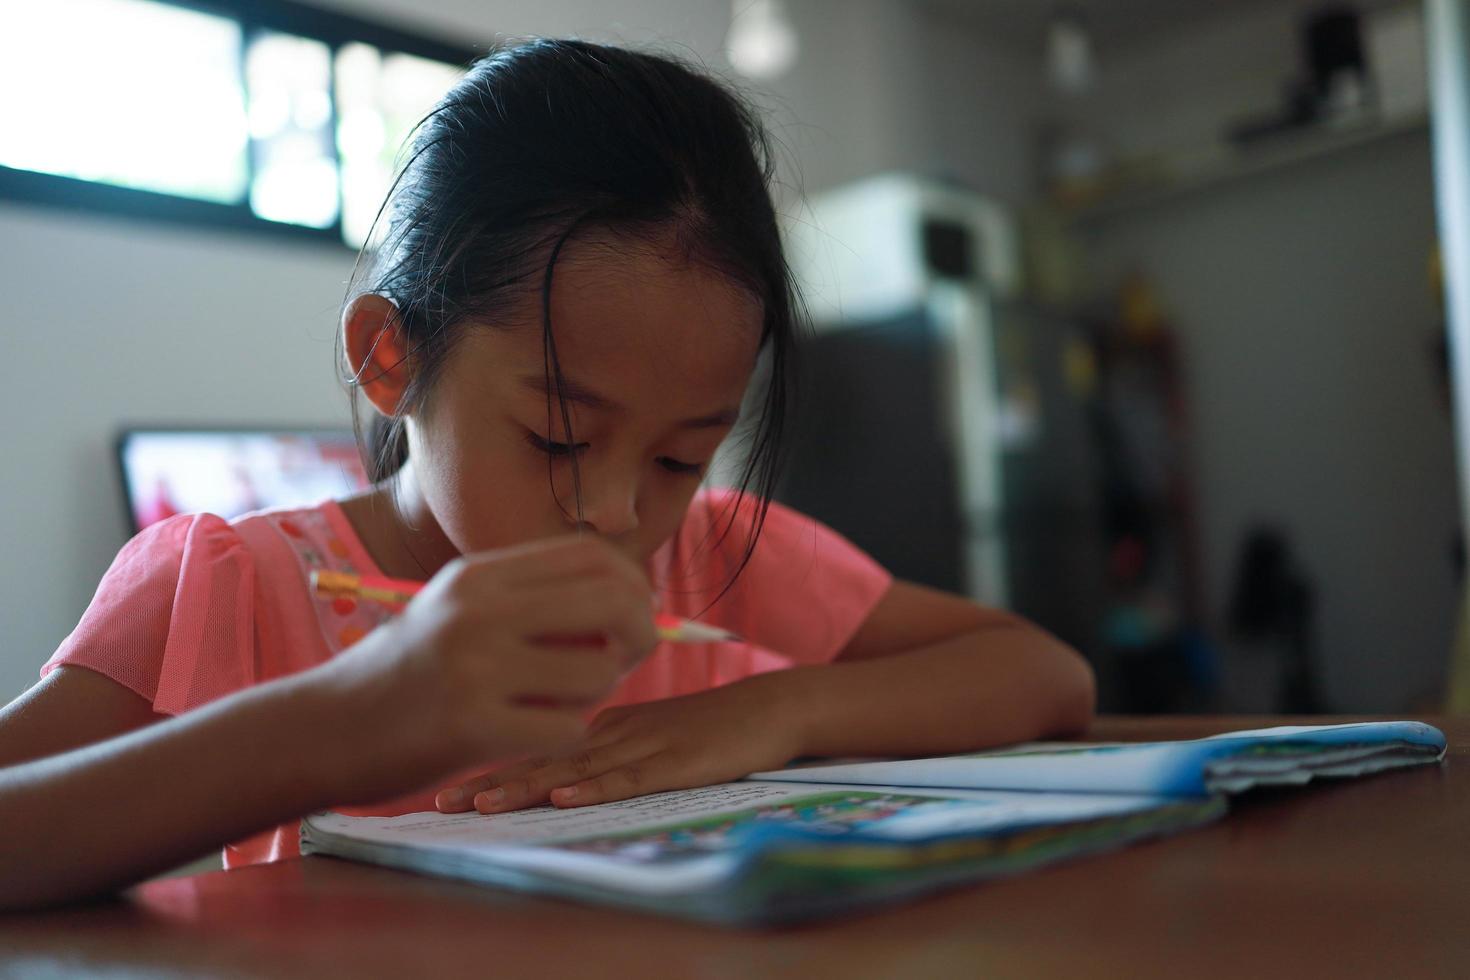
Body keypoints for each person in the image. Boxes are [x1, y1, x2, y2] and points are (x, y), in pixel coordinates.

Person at [0, 39, 1094, 910]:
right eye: (560, 439)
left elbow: (1042, 673)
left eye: (681, 454)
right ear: (393, 356)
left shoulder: (710, 560)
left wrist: (784, 709)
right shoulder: (224, 586)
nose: (621, 514)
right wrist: (345, 719)